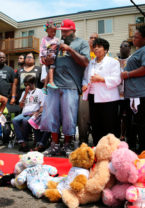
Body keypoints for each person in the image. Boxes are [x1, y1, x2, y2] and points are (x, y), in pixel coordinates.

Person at [40, 19, 90, 156]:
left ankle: (67, 146)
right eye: (62, 31)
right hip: (54, 85)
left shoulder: (81, 43)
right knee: (51, 116)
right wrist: (48, 60)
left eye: (66, 31)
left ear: (73, 30)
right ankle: (54, 145)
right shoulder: (57, 43)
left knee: (69, 117)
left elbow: (85, 62)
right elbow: (49, 64)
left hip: (71, 85)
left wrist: (69, 49)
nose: (63, 33)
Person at [121, 25, 145, 155]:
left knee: (144, 122)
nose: (133, 39)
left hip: (144, 93)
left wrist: (128, 74)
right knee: (139, 122)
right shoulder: (139, 50)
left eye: (136, 37)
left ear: (144, 38)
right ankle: (141, 148)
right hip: (136, 93)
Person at [82, 38, 121, 145]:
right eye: (94, 47)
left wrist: (102, 79)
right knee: (96, 124)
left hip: (108, 98)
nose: (96, 49)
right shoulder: (91, 63)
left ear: (106, 49)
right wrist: (84, 85)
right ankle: (97, 147)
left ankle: (111, 148)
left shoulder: (113, 62)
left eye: (99, 47)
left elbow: (117, 79)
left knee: (109, 124)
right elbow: (85, 78)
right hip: (93, 96)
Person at [12, 75, 46, 152]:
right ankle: (22, 142)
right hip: (24, 113)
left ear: (33, 83)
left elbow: (41, 106)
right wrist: (25, 94)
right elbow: (20, 106)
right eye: (25, 85)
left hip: (33, 113)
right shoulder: (24, 92)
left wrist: (37, 113)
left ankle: (26, 142)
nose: (27, 86)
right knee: (14, 120)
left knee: (25, 121)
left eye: (28, 85)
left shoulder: (39, 92)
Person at [77, 33, 98, 144]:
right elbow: (79, 72)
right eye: (91, 38)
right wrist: (82, 85)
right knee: (82, 117)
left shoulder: (103, 55)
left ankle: (96, 141)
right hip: (84, 91)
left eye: (95, 38)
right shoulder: (83, 54)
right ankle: (83, 140)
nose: (93, 40)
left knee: (96, 118)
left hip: (98, 92)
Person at [115, 40, 132, 140]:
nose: (124, 47)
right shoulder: (114, 60)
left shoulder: (132, 60)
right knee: (117, 116)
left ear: (130, 49)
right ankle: (118, 136)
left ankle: (126, 136)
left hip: (128, 93)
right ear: (120, 48)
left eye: (127, 46)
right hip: (116, 93)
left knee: (127, 117)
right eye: (122, 46)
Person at [40, 20, 60, 90]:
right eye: (52, 31)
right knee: (50, 69)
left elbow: (58, 49)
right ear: (47, 31)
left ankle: (45, 86)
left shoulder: (56, 40)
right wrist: (42, 57)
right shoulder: (44, 39)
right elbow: (41, 48)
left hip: (54, 57)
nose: (54, 33)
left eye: (55, 31)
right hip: (47, 57)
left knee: (50, 70)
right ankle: (49, 83)